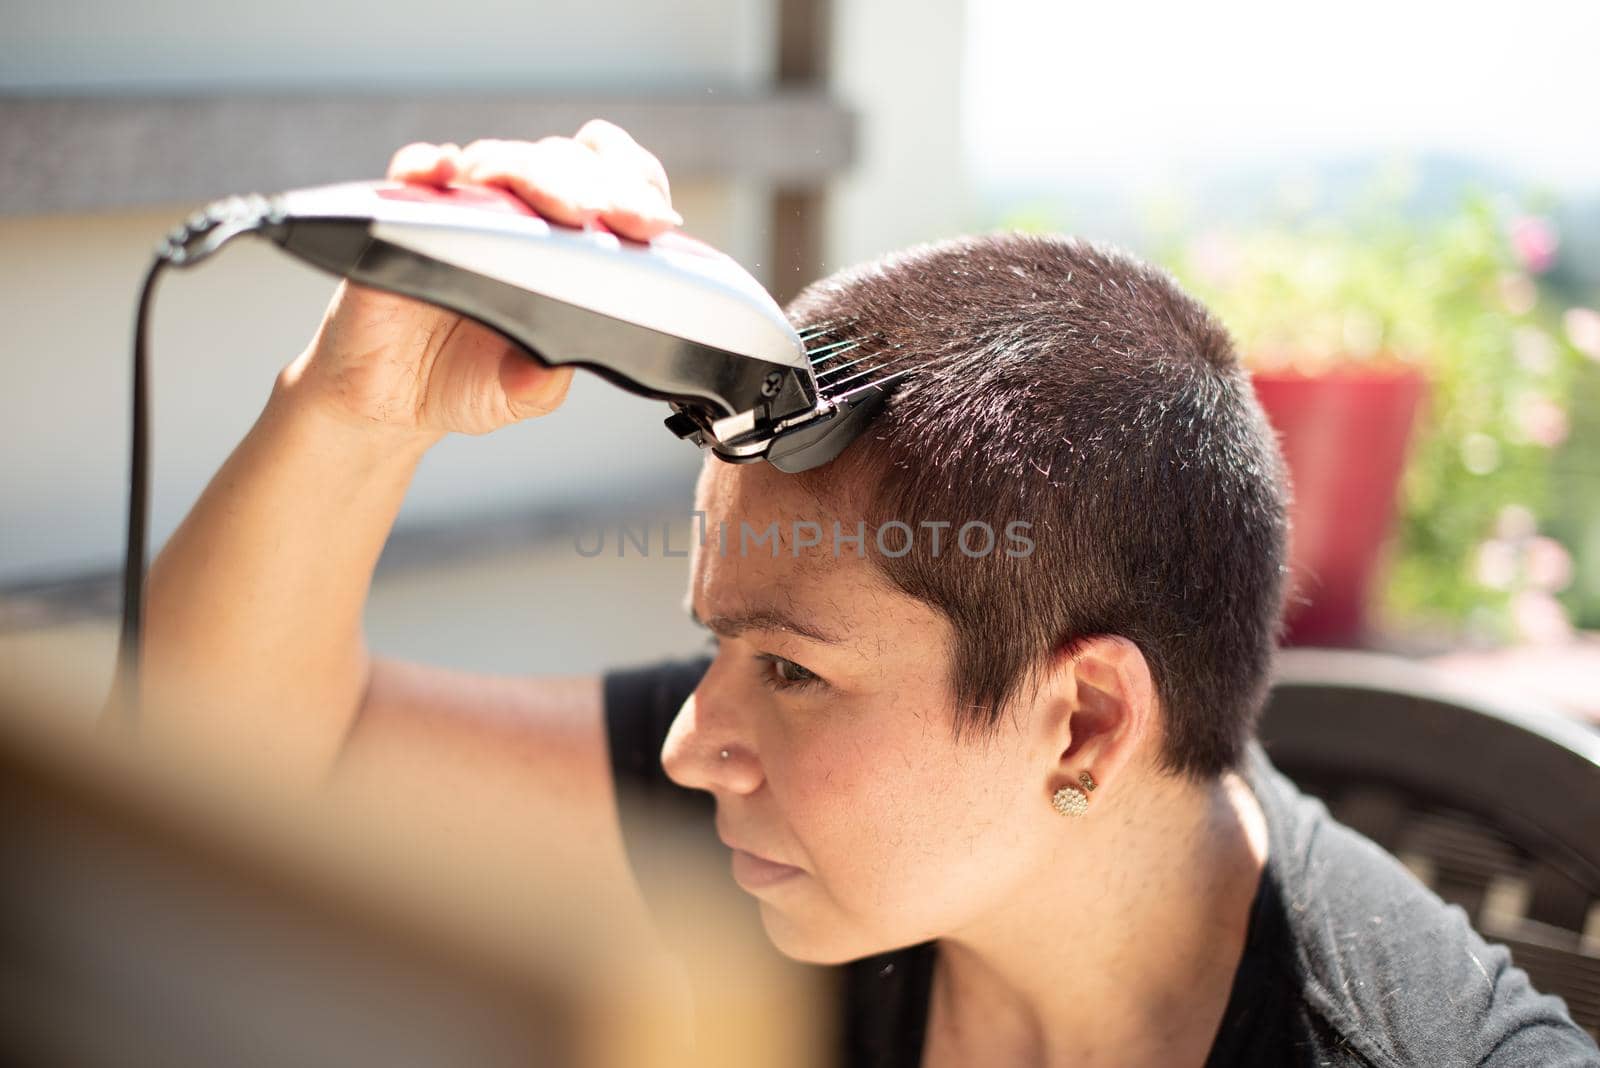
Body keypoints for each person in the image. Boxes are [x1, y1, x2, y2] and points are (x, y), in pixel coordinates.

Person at [129, 121, 1600, 1067]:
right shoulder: (842, 841)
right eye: (717, 649)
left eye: (787, 670)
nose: (689, 748)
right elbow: (247, 765)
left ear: (1083, 723)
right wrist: (354, 405)